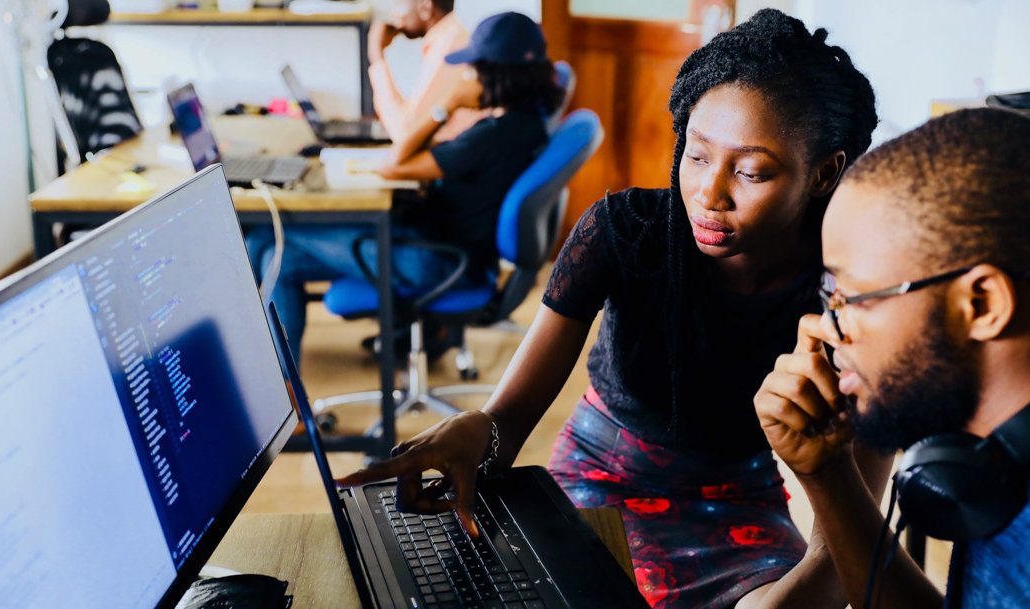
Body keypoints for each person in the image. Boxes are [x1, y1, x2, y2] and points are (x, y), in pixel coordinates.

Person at [337, 9, 883, 608]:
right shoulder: (626, 234)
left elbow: (839, 549)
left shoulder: (854, 296)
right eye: (696, 156)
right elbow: (508, 420)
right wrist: (481, 433)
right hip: (598, 477)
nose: (708, 193)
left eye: (751, 171)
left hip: (738, 502)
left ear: (825, 172)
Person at [754, 108, 1030, 609]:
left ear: (982, 304)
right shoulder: (991, 464)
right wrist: (828, 474)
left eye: (852, 298)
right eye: (827, 294)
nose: (822, 328)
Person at [248, 12, 564, 363]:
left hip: (435, 260)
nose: (465, 76)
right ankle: (286, 389)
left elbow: (394, 164)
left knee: (267, 241)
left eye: (472, 68)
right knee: (278, 256)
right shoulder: (527, 124)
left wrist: (446, 106)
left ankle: (274, 383)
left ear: (495, 74)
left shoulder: (491, 136)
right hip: (450, 250)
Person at [368, 0, 485, 146]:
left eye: (399, 3)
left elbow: (406, 135)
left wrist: (376, 57)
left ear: (425, 6)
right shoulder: (448, 38)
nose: (394, 13)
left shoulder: (448, 48)